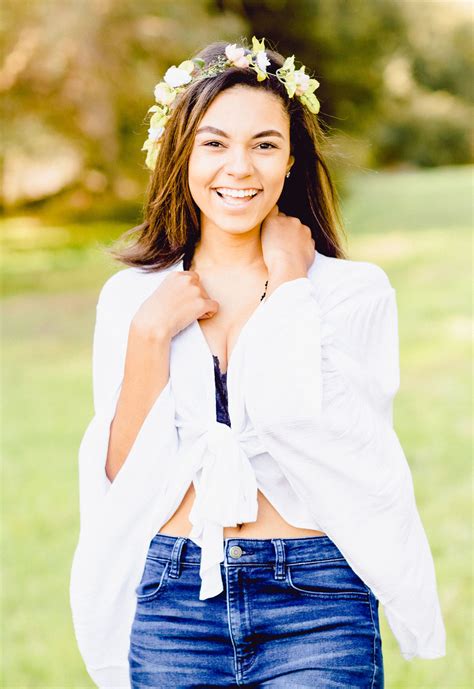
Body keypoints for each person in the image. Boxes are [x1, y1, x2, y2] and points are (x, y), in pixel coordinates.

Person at [69, 37, 446, 689]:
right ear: (180, 152)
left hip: (316, 598)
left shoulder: (350, 293)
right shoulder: (134, 299)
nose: (238, 167)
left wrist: (290, 286)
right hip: (174, 597)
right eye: (215, 143)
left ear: (291, 156)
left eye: (264, 143)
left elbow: (330, 438)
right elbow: (119, 481)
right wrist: (149, 337)